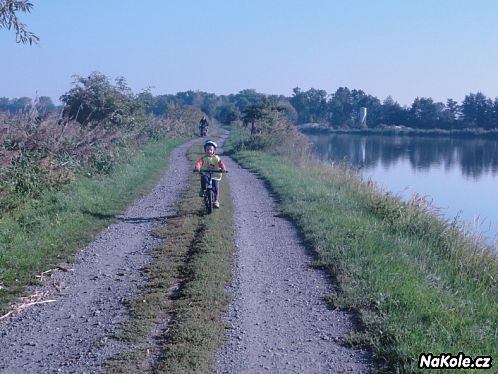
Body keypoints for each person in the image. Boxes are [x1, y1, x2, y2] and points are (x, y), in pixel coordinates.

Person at [194, 140, 227, 208]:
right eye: (207, 150)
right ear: (205, 150)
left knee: (216, 187)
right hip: (206, 173)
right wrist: (197, 168)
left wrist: (223, 169)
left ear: (214, 151)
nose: (209, 151)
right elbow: (199, 163)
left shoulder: (217, 158)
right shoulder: (203, 158)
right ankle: (203, 190)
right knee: (203, 178)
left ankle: (216, 201)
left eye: (211, 150)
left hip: (215, 174)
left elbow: (221, 164)